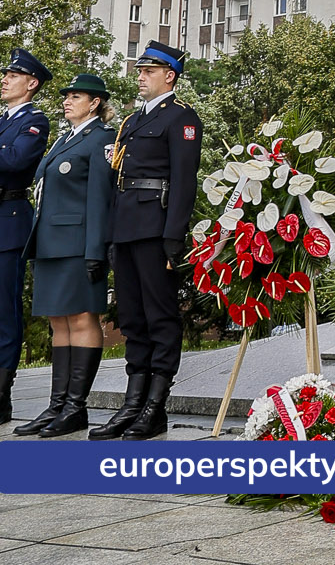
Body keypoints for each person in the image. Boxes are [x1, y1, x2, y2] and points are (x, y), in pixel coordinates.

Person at [89, 42, 202, 443]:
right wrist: (110, 236)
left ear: (169, 75)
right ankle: (132, 403)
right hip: (127, 227)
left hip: (155, 227)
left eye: (149, 70)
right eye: (140, 69)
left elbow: (184, 181)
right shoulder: (133, 120)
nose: (140, 75)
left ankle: (155, 407)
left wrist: (174, 234)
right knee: (133, 316)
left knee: (160, 316)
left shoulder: (181, 118)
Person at [12, 72, 115, 437]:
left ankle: (75, 407)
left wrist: (95, 250)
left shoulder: (102, 139)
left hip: (78, 243)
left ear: (95, 103)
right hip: (52, 242)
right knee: (59, 320)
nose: (68, 100)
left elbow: (101, 198)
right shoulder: (65, 139)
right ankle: (57, 404)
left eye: (77, 95)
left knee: (83, 319)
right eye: (67, 95)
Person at [0, 48, 52, 425]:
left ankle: (2, 395)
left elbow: (16, 161)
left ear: (31, 83)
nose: (4, 79)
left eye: (12, 75)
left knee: (4, 312)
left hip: (9, 220)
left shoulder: (35, 121)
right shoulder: (4, 121)